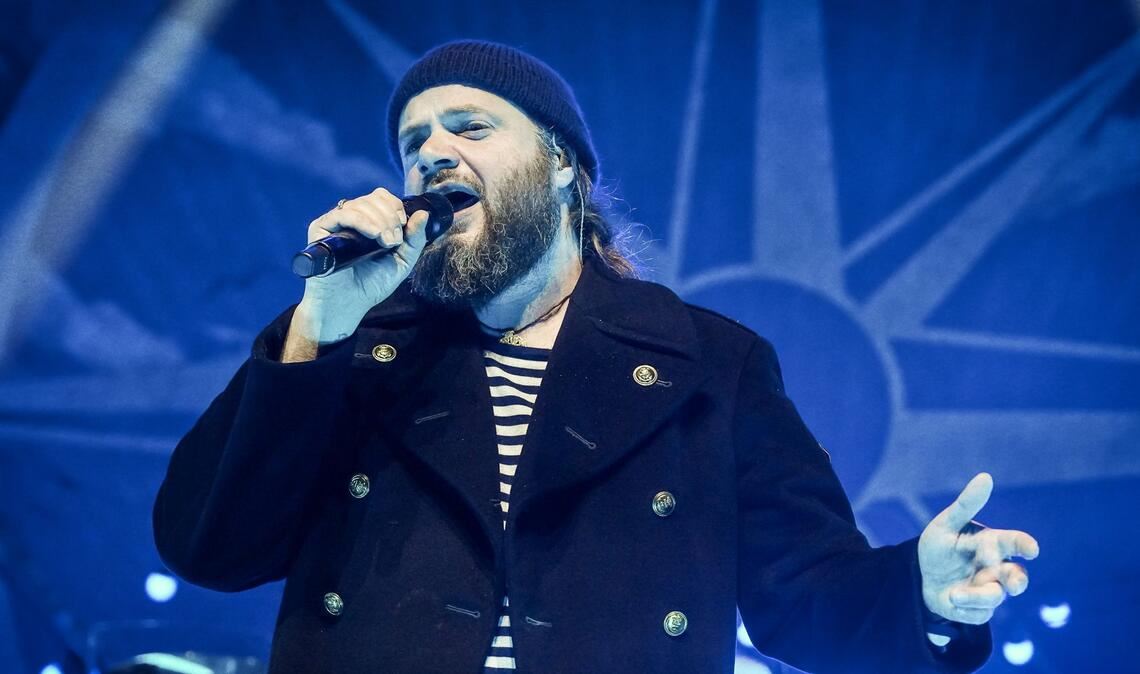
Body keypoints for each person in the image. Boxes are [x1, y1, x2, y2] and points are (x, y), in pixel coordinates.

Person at [153, 40, 1039, 674]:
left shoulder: (709, 364)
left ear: (562, 167)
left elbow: (803, 593)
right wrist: (319, 327)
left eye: (469, 127)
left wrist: (920, 595)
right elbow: (211, 549)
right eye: (414, 144)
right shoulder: (363, 351)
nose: (432, 157)